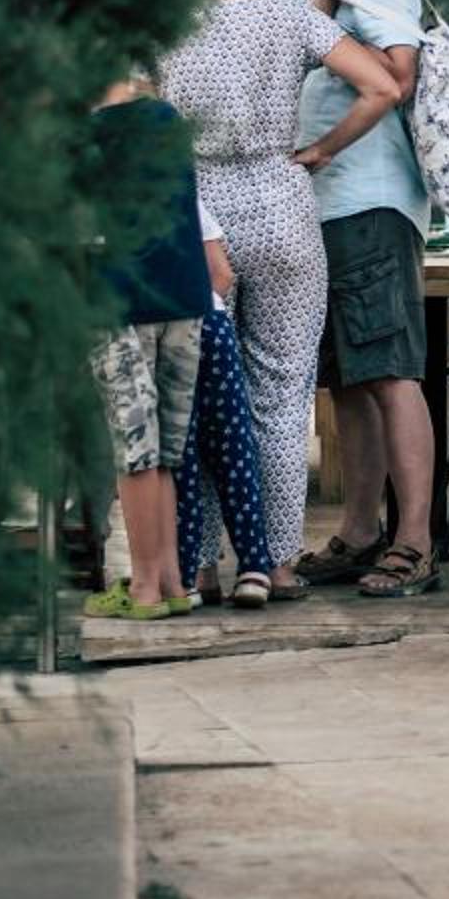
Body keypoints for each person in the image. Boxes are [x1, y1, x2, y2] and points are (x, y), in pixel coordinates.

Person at [158, 0, 402, 602]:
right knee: (282, 394)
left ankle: (201, 565)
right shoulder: (290, 15)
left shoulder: (163, 27)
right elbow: (384, 87)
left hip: (200, 216)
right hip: (282, 208)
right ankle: (275, 562)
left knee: (203, 394)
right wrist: (322, 149)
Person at [265, 0, 443, 600]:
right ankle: (360, 531)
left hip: (367, 206)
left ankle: (415, 542)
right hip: (335, 211)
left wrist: (322, 149)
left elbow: (396, 76)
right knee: (350, 379)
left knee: (391, 373)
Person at [80, 80, 210, 620]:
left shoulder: (88, 137)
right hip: (185, 298)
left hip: (122, 302)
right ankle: (173, 581)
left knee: (134, 452)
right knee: (168, 454)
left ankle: (143, 589)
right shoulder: (168, 122)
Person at [172, 198, 275, 610]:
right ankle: (254, 569)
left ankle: (184, 577)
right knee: (234, 451)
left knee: (179, 460)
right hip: (212, 324)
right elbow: (222, 274)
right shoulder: (185, 197)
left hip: (163, 331)